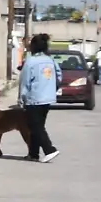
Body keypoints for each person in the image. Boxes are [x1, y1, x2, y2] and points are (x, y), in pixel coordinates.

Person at [20, 33, 61, 163]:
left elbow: (25, 82)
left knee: (36, 126)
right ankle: (33, 153)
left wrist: (21, 98)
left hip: (34, 98)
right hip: (48, 98)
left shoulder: (30, 61)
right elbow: (59, 76)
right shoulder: (50, 60)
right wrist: (52, 88)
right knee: (37, 126)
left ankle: (49, 149)